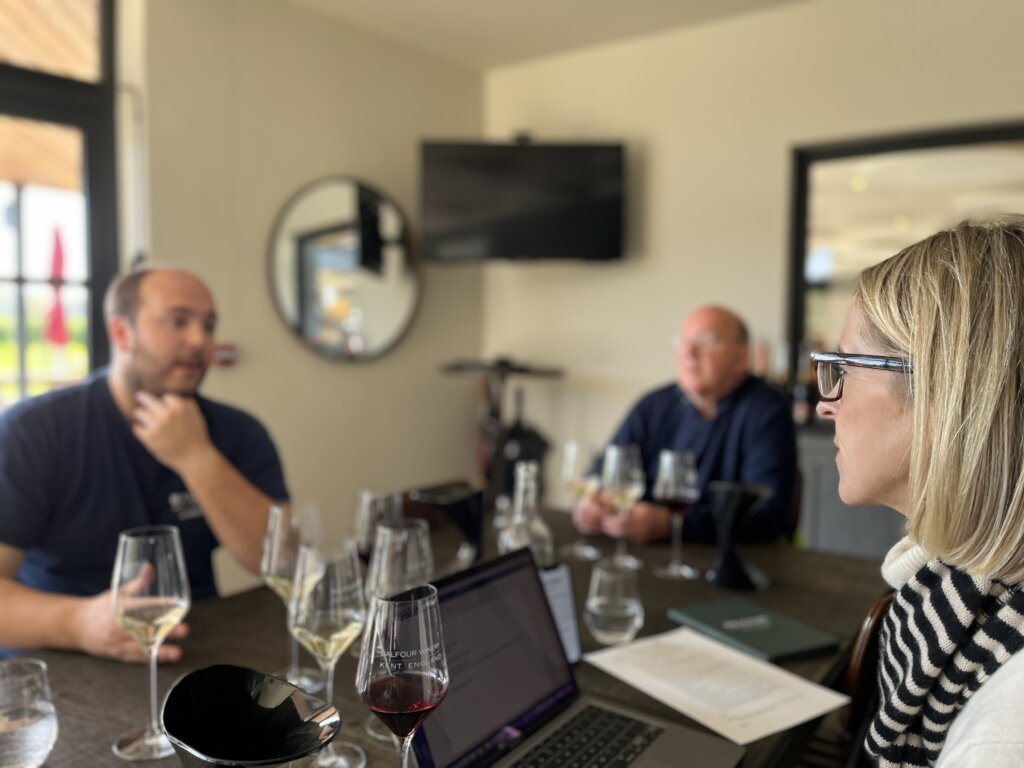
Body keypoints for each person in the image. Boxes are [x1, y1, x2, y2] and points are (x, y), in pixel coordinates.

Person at [814, 217, 1024, 767]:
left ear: (942, 390)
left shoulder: (1001, 737)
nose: (824, 404)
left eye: (843, 368)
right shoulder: (952, 591)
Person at [0, 267, 289, 663]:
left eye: (208, 325)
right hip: (63, 663)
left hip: (195, 651)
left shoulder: (238, 431)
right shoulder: (33, 431)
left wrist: (197, 458)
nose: (199, 340)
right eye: (178, 321)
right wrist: (79, 623)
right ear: (122, 333)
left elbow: (281, 563)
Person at [573, 305, 797, 544]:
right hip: (640, 553)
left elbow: (767, 514)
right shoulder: (653, 405)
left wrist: (669, 524)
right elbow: (603, 474)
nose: (689, 351)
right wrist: (589, 506)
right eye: (683, 341)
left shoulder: (767, 411)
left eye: (706, 340)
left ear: (741, 358)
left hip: (725, 558)